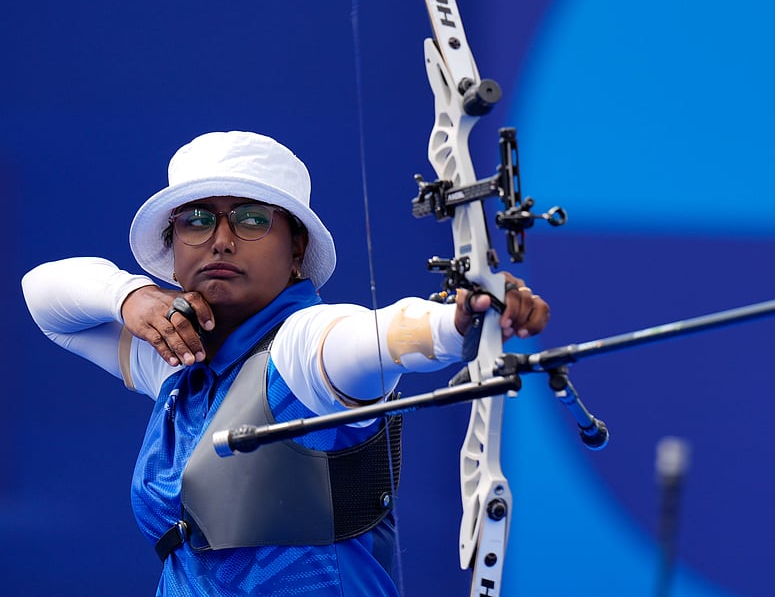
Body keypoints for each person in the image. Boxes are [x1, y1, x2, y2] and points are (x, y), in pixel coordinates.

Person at [21, 131, 550, 596]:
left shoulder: (303, 346)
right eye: (197, 220)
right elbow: (43, 296)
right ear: (173, 244)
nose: (221, 240)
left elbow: (374, 336)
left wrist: (460, 321)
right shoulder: (174, 358)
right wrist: (130, 296)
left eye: (252, 219)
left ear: (296, 247)